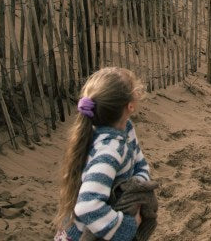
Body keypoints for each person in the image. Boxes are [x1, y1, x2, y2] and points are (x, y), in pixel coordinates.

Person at [54, 68, 150, 241]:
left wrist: (135, 194)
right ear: (130, 105)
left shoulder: (126, 130)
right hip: (86, 234)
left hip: (105, 224)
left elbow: (140, 164)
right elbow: (87, 206)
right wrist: (127, 226)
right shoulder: (109, 151)